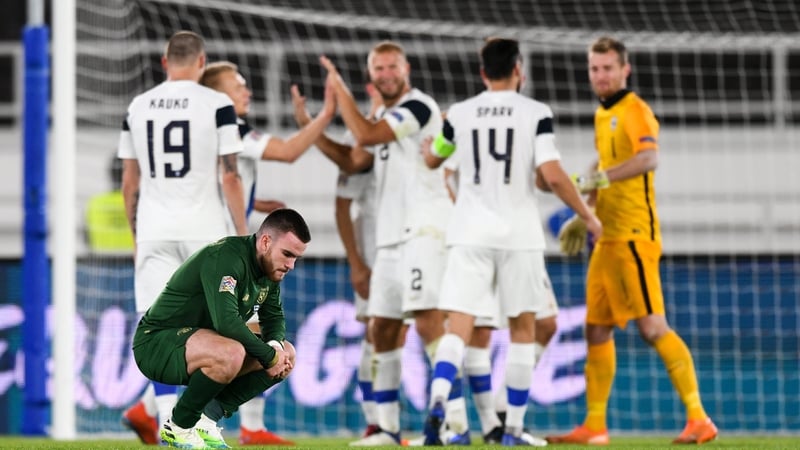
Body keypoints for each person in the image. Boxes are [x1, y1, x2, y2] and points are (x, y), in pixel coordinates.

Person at [420, 37, 601, 446]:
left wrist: (432, 148)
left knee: (459, 327)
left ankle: (439, 400)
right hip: (519, 235)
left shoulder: (461, 114)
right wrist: (587, 216)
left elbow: (435, 159)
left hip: (468, 234)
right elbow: (551, 175)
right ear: (519, 69)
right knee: (524, 329)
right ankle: (512, 430)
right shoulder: (535, 112)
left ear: (482, 72)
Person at [545, 36, 718, 445]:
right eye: (594, 68)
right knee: (596, 330)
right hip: (606, 238)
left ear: (626, 69)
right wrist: (583, 212)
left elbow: (648, 159)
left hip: (634, 236)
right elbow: (601, 166)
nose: (600, 76)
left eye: (607, 68)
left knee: (653, 327)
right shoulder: (602, 115)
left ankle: (699, 419)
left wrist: (598, 180)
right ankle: (595, 426)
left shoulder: (635, 111)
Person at [305, 41, 454, 446]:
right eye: (378, 69)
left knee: (427, 323)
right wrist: (312, 123)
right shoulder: (386, 116)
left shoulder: (418, 107)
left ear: (406, 69)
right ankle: (388, 429)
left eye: (392, 67)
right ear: (371, 76)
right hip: (389, 240)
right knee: (382, 328)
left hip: (424, 230)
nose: (386, 74)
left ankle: (454, 425)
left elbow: (366, 134)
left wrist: (341, 91)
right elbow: (354, 160)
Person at [117, 30, 248, 445]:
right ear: (202, 62)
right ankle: (196, 423)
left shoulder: (137, 106)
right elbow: (229, 174)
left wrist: (138, 236)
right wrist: (243, 235)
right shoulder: (217, 104)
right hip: (204, 232)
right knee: (224, 332)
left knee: (156, 330)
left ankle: (163, 428)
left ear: (164, 61)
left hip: (155, 230)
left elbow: (129, 182)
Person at [199, 60, 336, 446]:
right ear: (217, 95)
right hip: (230, 254)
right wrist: (324, 115)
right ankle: (226, 424)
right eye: (238, 85)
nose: (248, 91)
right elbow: (290, 151)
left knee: (220, 336)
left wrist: (253, 204)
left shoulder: (201, 133)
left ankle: (162, 411)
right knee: (261, 338)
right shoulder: (234, 129)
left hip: (202, 248)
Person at [132, 208, 309, 449]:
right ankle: (179, 426)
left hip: (197, 344)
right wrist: (269, 357)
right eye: (287, 254)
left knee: (287, 351)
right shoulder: (227, 257)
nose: (291, 265)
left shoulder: (268, 270)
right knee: (231, 352)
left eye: (296, 258)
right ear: (266, 241)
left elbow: (274, 317)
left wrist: (276, 346)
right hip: (156, 343)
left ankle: (206, 420)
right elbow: (226, 322)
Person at [85, 156, 134, 253]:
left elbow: (87, 239)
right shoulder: (138, 202)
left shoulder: (95, 203)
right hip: (132, 262)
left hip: (101, 263)